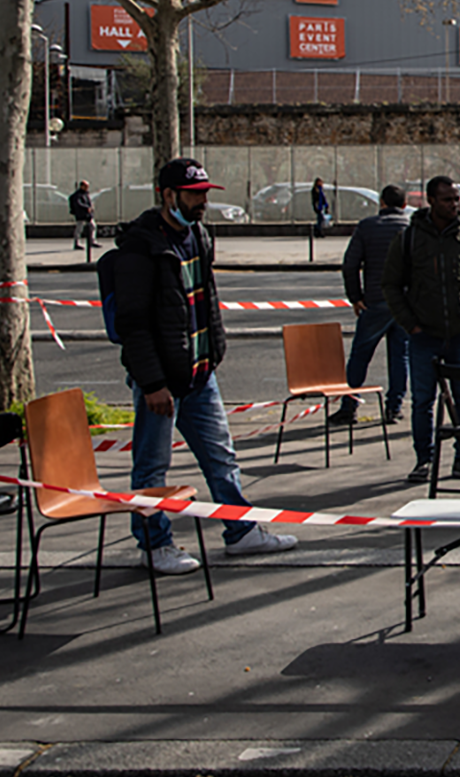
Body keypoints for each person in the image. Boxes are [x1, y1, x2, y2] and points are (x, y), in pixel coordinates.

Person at [113, 157, 297, 573]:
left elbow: (205, 300)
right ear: (168, 196)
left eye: (204, 196)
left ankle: (241, 531)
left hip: (199, 373)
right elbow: (134, 325)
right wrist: (152, 382)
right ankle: (154, 543)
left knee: (221, 457)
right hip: (160, 380)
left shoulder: (198, 236)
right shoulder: (141, 248)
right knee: (151, 465)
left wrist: (213, 354)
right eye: (194, 195)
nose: (201, 203)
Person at [382, 175, 460, 486]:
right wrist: (411, 325)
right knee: (422, 401)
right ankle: (424, 460)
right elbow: (391, 285)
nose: (454, 203)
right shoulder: (409, 238)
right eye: (447, 199)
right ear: (430, 201)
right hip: (424, 336)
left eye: (456, 198)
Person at [329, 184, 411, 428]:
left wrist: (356, 297)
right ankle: (394, 407)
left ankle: (350, 405)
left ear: (382, 203)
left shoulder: (367, 227)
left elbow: (350, 265)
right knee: (400, 356)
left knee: (360, 355)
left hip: (375, 299)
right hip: (404, 303)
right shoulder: (411, 228)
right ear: (404, 205)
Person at [68, 180, 95, 251]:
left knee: (92, 226)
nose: (87, 188)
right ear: (82, 186)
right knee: (79, 229)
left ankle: (92, 241)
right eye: (86, 186)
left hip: (87, 214)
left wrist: (91, 207)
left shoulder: (86, 194)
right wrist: (87, 208)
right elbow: (78, 204)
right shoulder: (77, 195)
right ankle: (76, 243)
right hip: (81, 214)